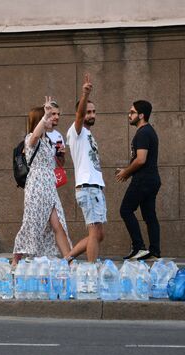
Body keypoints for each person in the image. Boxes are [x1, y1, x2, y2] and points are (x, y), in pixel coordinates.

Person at [12, 99, 72, 266]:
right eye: (48, 116)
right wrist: (45, 115)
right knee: (31, 223)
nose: (52, 119)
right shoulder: (31, 138)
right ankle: (15, 260)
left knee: (58, 223)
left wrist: (61, 156)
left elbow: (58, 165)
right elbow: (35, 137)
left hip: (49, 186)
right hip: (36, 186)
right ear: (40, 119)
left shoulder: (48, 142)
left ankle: (69, 261)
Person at [65, 73, 106, 263]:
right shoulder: (77, 131)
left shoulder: (89, 135)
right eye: (89, 111)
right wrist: (85, 95)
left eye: (94, 112)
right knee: (94, 232)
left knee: (98, 234)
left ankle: (67, 258)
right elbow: (79, 115)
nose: (92, 115)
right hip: (88, 187)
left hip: (94, 188)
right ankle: (91, 272)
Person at [116, 100, 161, 260]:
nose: (129, 115)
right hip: (152, 179)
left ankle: (139, 247)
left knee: (125, 210)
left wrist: (126, 172)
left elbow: (141, 159)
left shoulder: (143, 133)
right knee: (149, 215)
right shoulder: (149, 132)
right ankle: (154, 252)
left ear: (141, 115)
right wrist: (127, 171)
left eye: (132, 112)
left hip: (143, 180)